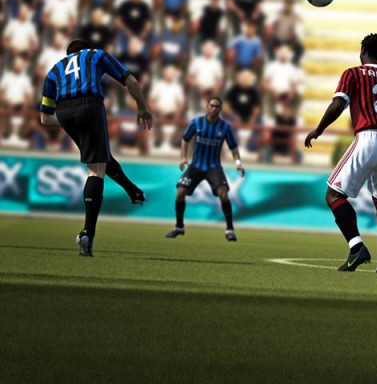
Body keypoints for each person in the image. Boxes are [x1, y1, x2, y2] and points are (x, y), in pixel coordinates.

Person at [304, 34, 377, 274]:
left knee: (333, 194)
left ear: (363, 51)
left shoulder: (353, 74)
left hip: (369, 137)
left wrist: (319, 129)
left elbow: (338, 104)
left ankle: (356, 246)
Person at [38, 39, 154, 256]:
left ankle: (132, 190)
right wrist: (142, 107)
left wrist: (69, 120)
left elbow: (45, 119)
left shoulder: (54, 70)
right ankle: (87, 234)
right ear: (85, 49)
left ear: (68, 54)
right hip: (89, 104)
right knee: (95, 169)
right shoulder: (96, 54)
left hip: (63, 111)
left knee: (98, 157)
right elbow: (131, 80)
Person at [165, 97, 246, 241]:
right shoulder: (196, 123)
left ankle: (230, 229)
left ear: (220, 109)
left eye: (217, 106)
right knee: (180, 193)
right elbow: (185, 139)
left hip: (213, 167)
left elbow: (233, 147)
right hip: (196, 166)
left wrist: (238, 163)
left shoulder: (225, 127)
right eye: (212, 105)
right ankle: (179, 227)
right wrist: (183, 157)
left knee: (224, 194)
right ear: (207, 106)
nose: (214, 108)